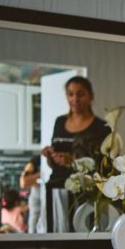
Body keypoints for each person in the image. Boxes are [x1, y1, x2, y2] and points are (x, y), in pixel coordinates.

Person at [41, 76, 111, 231]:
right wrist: (50, 156)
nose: (75, 99)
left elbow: (105, 165)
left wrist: (73, 160)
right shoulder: (59, 122)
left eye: (80, 94)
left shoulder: (102, 127)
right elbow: (54, 164)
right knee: (56, 236)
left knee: (81, 237)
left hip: (86, 194)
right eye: (70, 94)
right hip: (57, 190)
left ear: (91, 96)